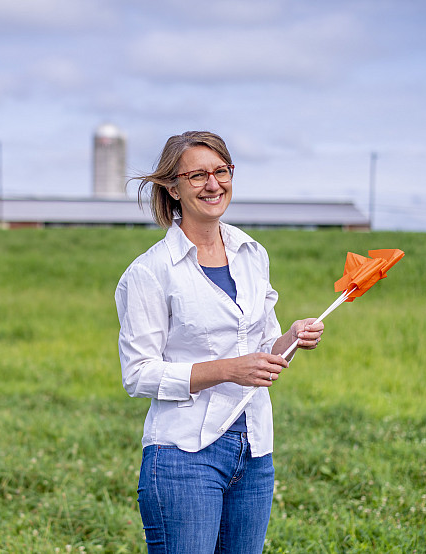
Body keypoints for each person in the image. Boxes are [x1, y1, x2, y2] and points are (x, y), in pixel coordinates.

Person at [115, 131, 324, 553]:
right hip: (183, 455)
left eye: (221, 171)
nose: (213, 184)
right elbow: (138, 375)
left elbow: (264, 350)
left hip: (254, 451)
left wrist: (291, 338)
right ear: (172, 188)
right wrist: (228, 370)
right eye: (197, 175)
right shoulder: (150, 272)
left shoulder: (253, 254)